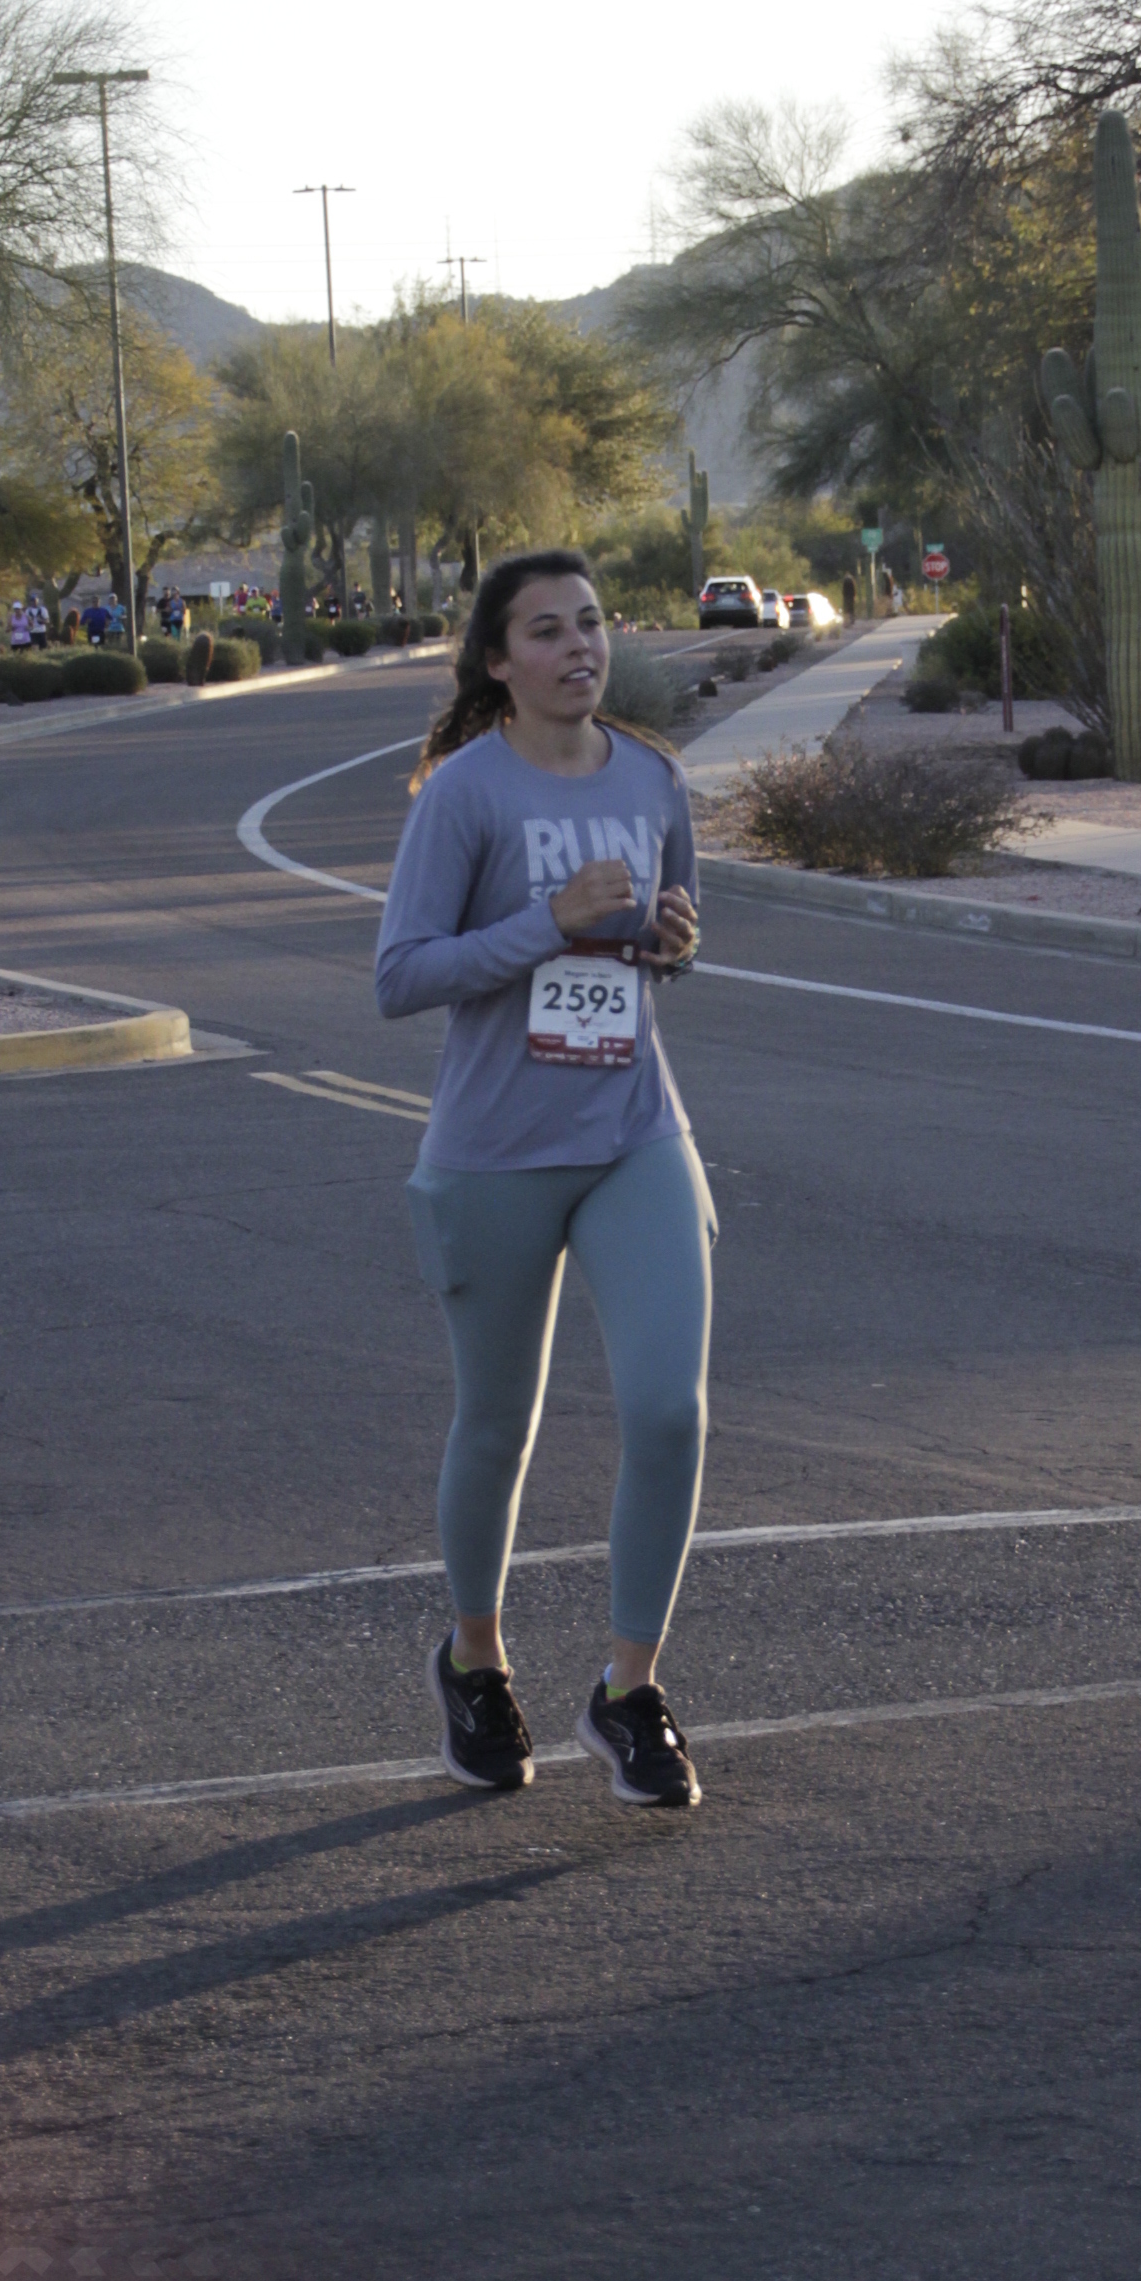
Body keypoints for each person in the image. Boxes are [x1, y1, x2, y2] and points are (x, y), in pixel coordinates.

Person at [375, 547, 713, 1810]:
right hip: (496, 1153)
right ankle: (476, 1661)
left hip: (635, 1132)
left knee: (669, 1412)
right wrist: (548, 923)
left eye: (592, 624)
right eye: (548, 631)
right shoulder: (465, 794)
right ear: (498, 662)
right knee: (498, 1425)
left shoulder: (651, 777)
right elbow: (401, 974)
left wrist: (670, 943)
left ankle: (630, 1691)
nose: (580, 648)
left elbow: (669, 938)